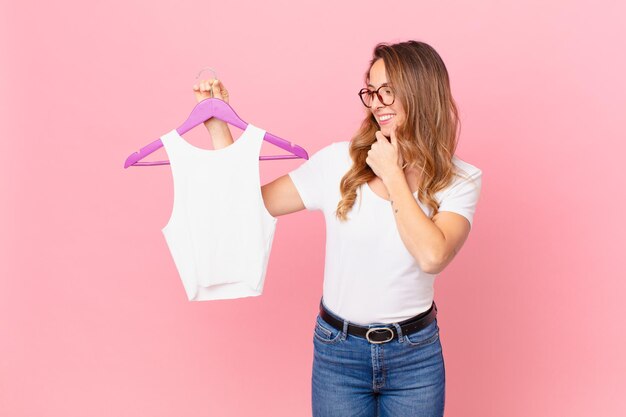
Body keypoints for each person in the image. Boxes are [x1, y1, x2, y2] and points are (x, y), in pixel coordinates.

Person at [192, 40, 482, 417]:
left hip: (416, 358)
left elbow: (432, 256)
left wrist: (393, 174)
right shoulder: (337, 163)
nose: (377, 102)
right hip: (339, 353)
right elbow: (247, 207)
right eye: (371, 91)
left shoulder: (460, 179)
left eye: (388, 91)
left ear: (421, 91)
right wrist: (219, 130)